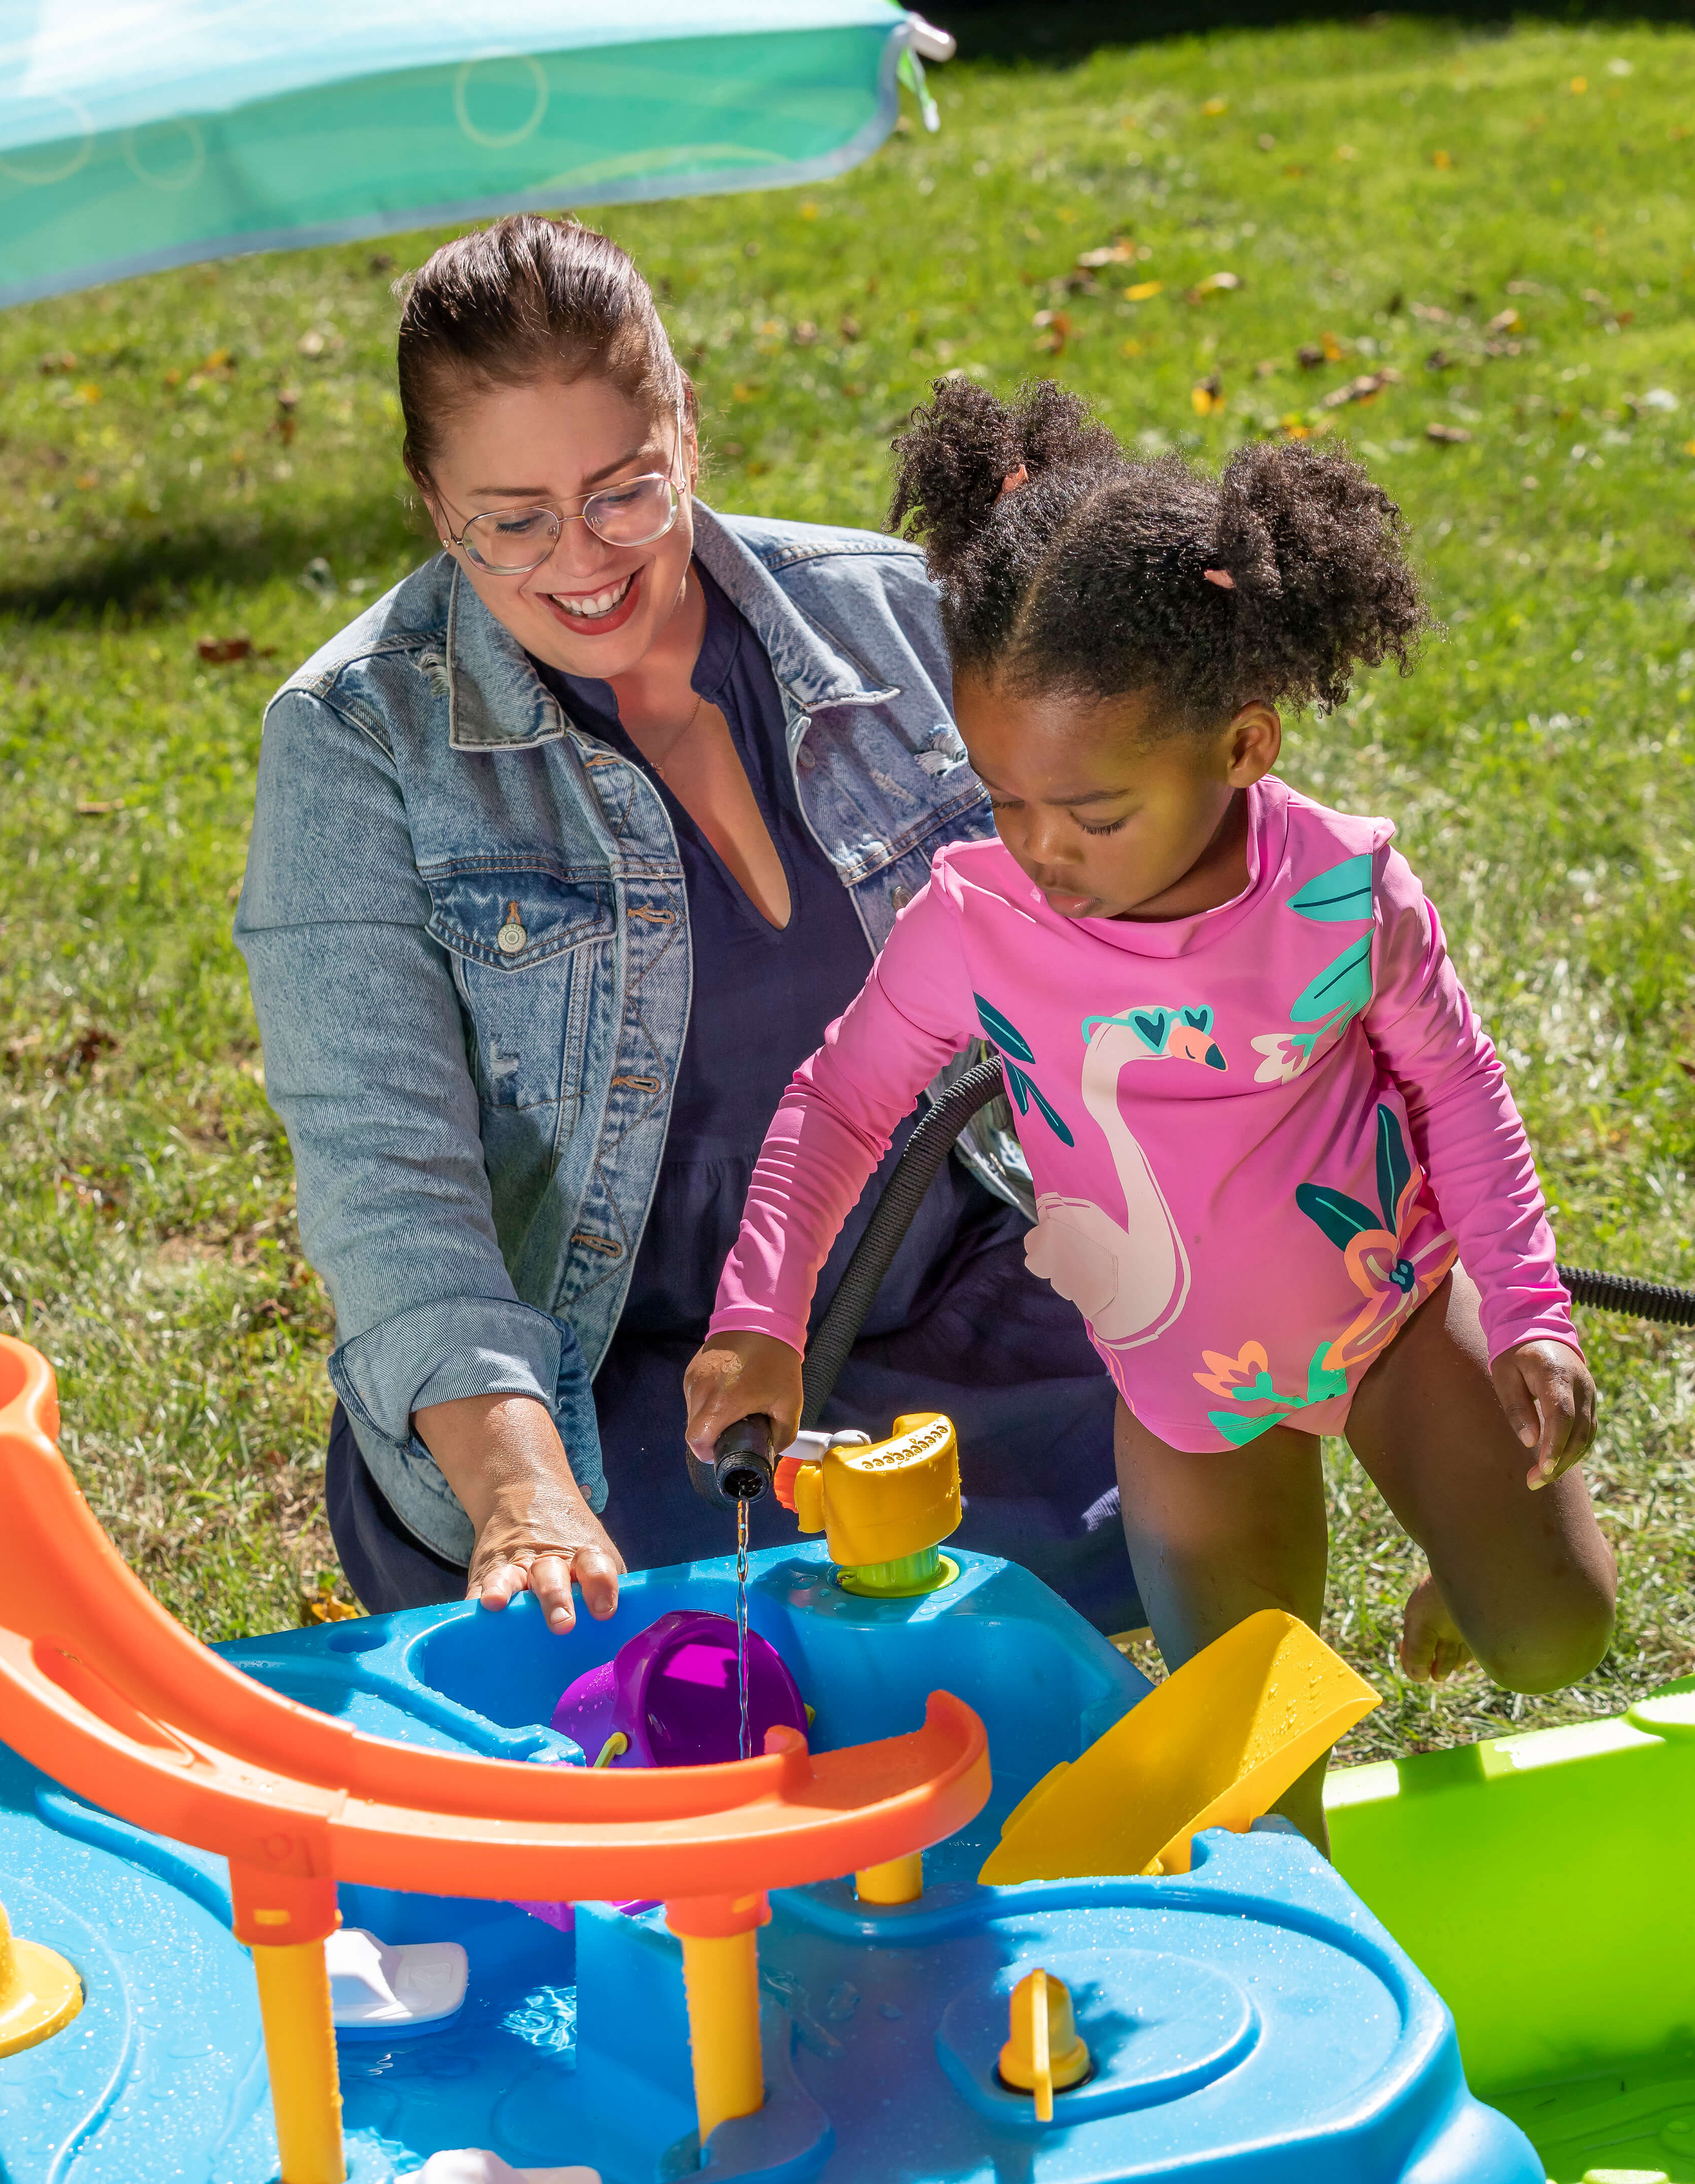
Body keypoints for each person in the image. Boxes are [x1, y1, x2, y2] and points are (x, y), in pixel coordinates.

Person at [686, 379, 1616, 1844]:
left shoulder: (1340, 896)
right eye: (1005, 800)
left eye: (1094, 813)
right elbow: (841, 1099)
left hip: (1389, 1321)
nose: (1042, 851)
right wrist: (758, 1315)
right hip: (1189, 1407)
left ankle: (1471, 1556)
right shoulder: (972, 923)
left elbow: (1456, 1082)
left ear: (1239, 748)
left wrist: (1526, 1308)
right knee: (1259, 1803)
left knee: (1553, 1637)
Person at [237, 226, 1141, 1639]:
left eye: (622, 492)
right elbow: (384, 1175)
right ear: (431, 503)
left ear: (687, 432)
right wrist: (524, 1487)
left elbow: (1143, 921)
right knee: (696, 1611)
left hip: (978, 1297)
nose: (581, 562)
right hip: (629, 1386)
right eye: (513, 518)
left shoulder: (896, 615)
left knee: (1222, 1400)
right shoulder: (359, 737)